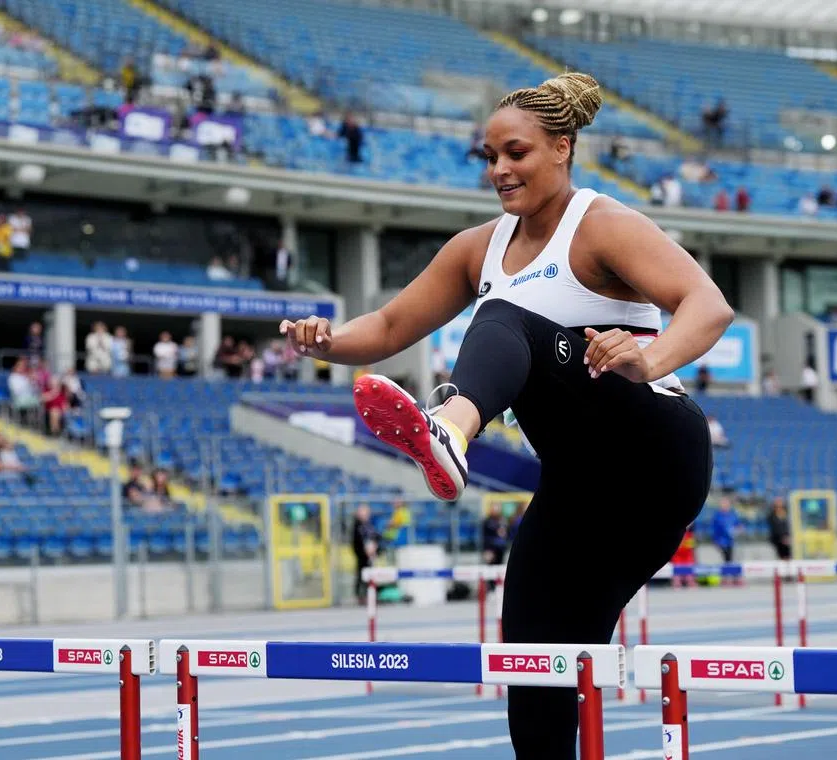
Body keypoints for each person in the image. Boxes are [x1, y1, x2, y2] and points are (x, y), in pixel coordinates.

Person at [280, 72, 731, 760]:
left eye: (515, 153)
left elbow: (708, 303)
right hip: (580, 488)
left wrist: (650, 356)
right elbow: (394, 322)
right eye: (488, 156)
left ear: (562, 147)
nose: (498, 170)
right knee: (535, 658)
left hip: (652, 451)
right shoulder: (477, 247)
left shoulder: (603, 224)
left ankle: (452, 431)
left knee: (504, 319)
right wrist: (326, 339)